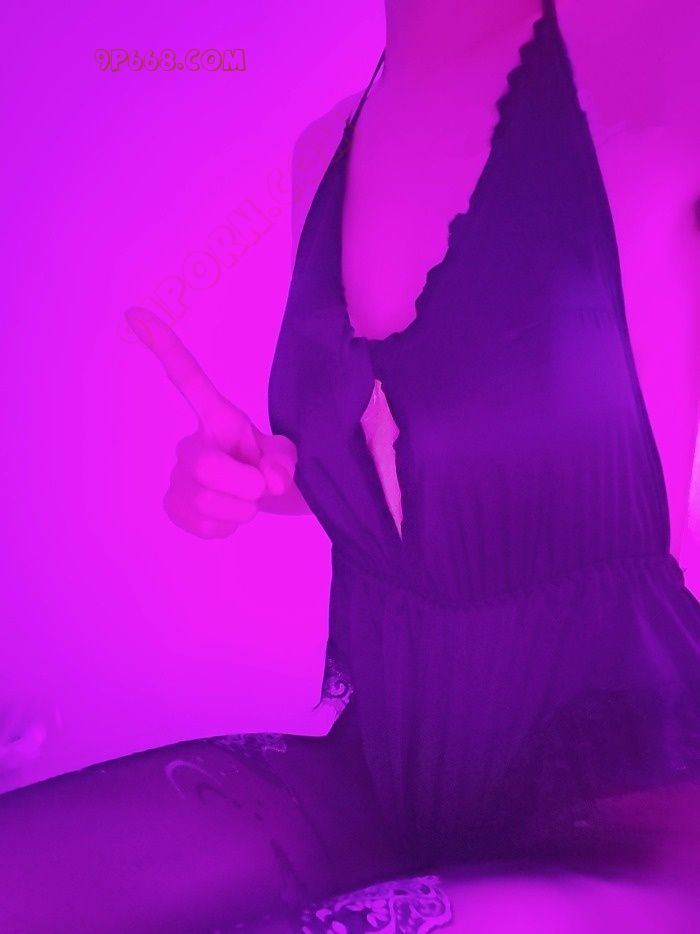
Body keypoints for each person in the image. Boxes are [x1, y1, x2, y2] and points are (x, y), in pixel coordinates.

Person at [1, 0, 699, 931]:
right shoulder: (325, 146)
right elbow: (422, 472)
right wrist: (267, 478)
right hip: (395, 766)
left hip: (630, 799)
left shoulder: (653, 82)